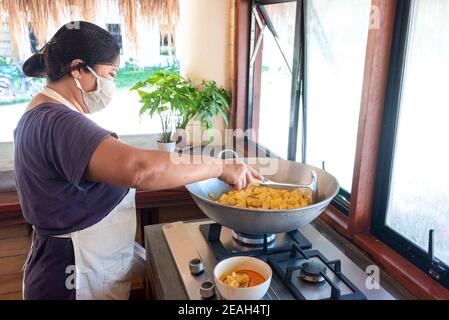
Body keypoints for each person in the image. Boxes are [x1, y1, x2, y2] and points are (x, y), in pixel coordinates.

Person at [14, 21, 261, 300]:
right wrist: (221, 166)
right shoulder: (58, 121)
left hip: (75, 264)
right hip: (74, 277)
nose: (112, 84)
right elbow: (139, 169)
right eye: (110, 74)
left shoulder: (42, 114)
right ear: (78, 69)